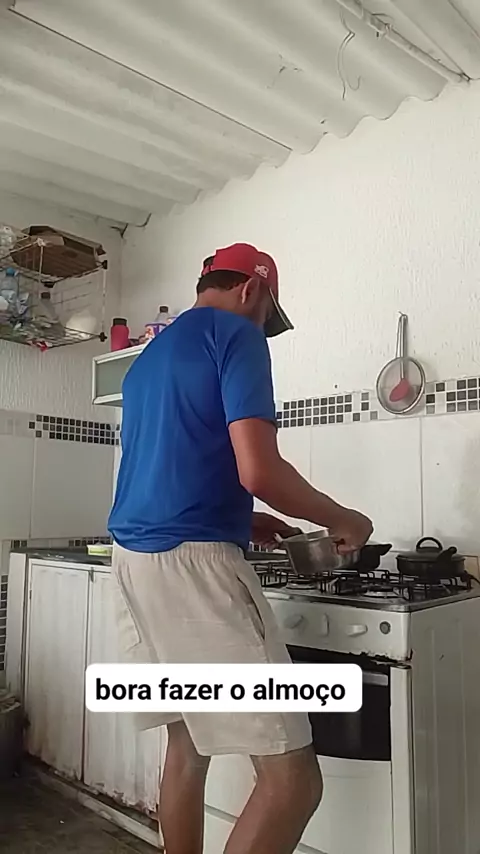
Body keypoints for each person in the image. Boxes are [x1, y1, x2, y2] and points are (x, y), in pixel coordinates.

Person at [108, 242, 373, 854]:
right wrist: (345, 518)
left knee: (185, 747)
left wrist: (239, 517)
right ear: (252, 290)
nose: (262, 330)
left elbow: (168, 465)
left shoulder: (148, 359)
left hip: (134, 563)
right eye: (266, 317)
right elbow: (259, 469)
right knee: (292, 783)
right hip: (193, 574)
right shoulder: (236, 335)